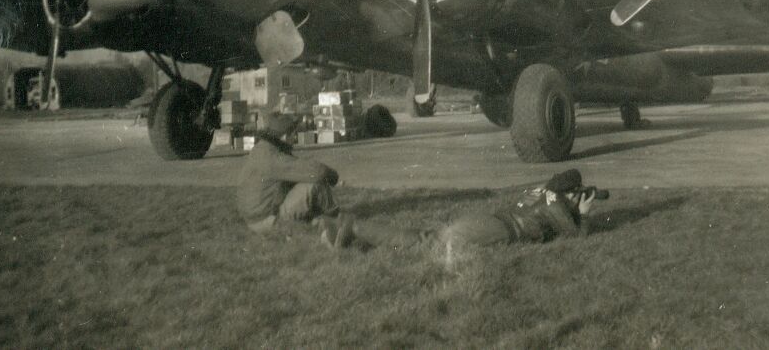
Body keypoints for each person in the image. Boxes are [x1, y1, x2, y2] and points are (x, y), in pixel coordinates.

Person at [319, 168, 599, 251]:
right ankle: (354, 227)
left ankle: (352, 235)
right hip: (500, 229)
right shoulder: (557, 205)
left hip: (489, 220)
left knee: (423, 237)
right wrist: (583, 213)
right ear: (570, 193)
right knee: (426, 244)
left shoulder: (540, 191)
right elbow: (578, 238)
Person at [236, 112, 341, 233]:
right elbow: (318, 172)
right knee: (315, 183)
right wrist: (333, 176)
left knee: (302, 181)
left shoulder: (262, 150)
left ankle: (321, 220)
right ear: (284, 136)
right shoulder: (273, 157)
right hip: (267, 221)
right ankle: (336, 220)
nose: (295, 137)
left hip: (254, 218)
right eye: (293, 133)